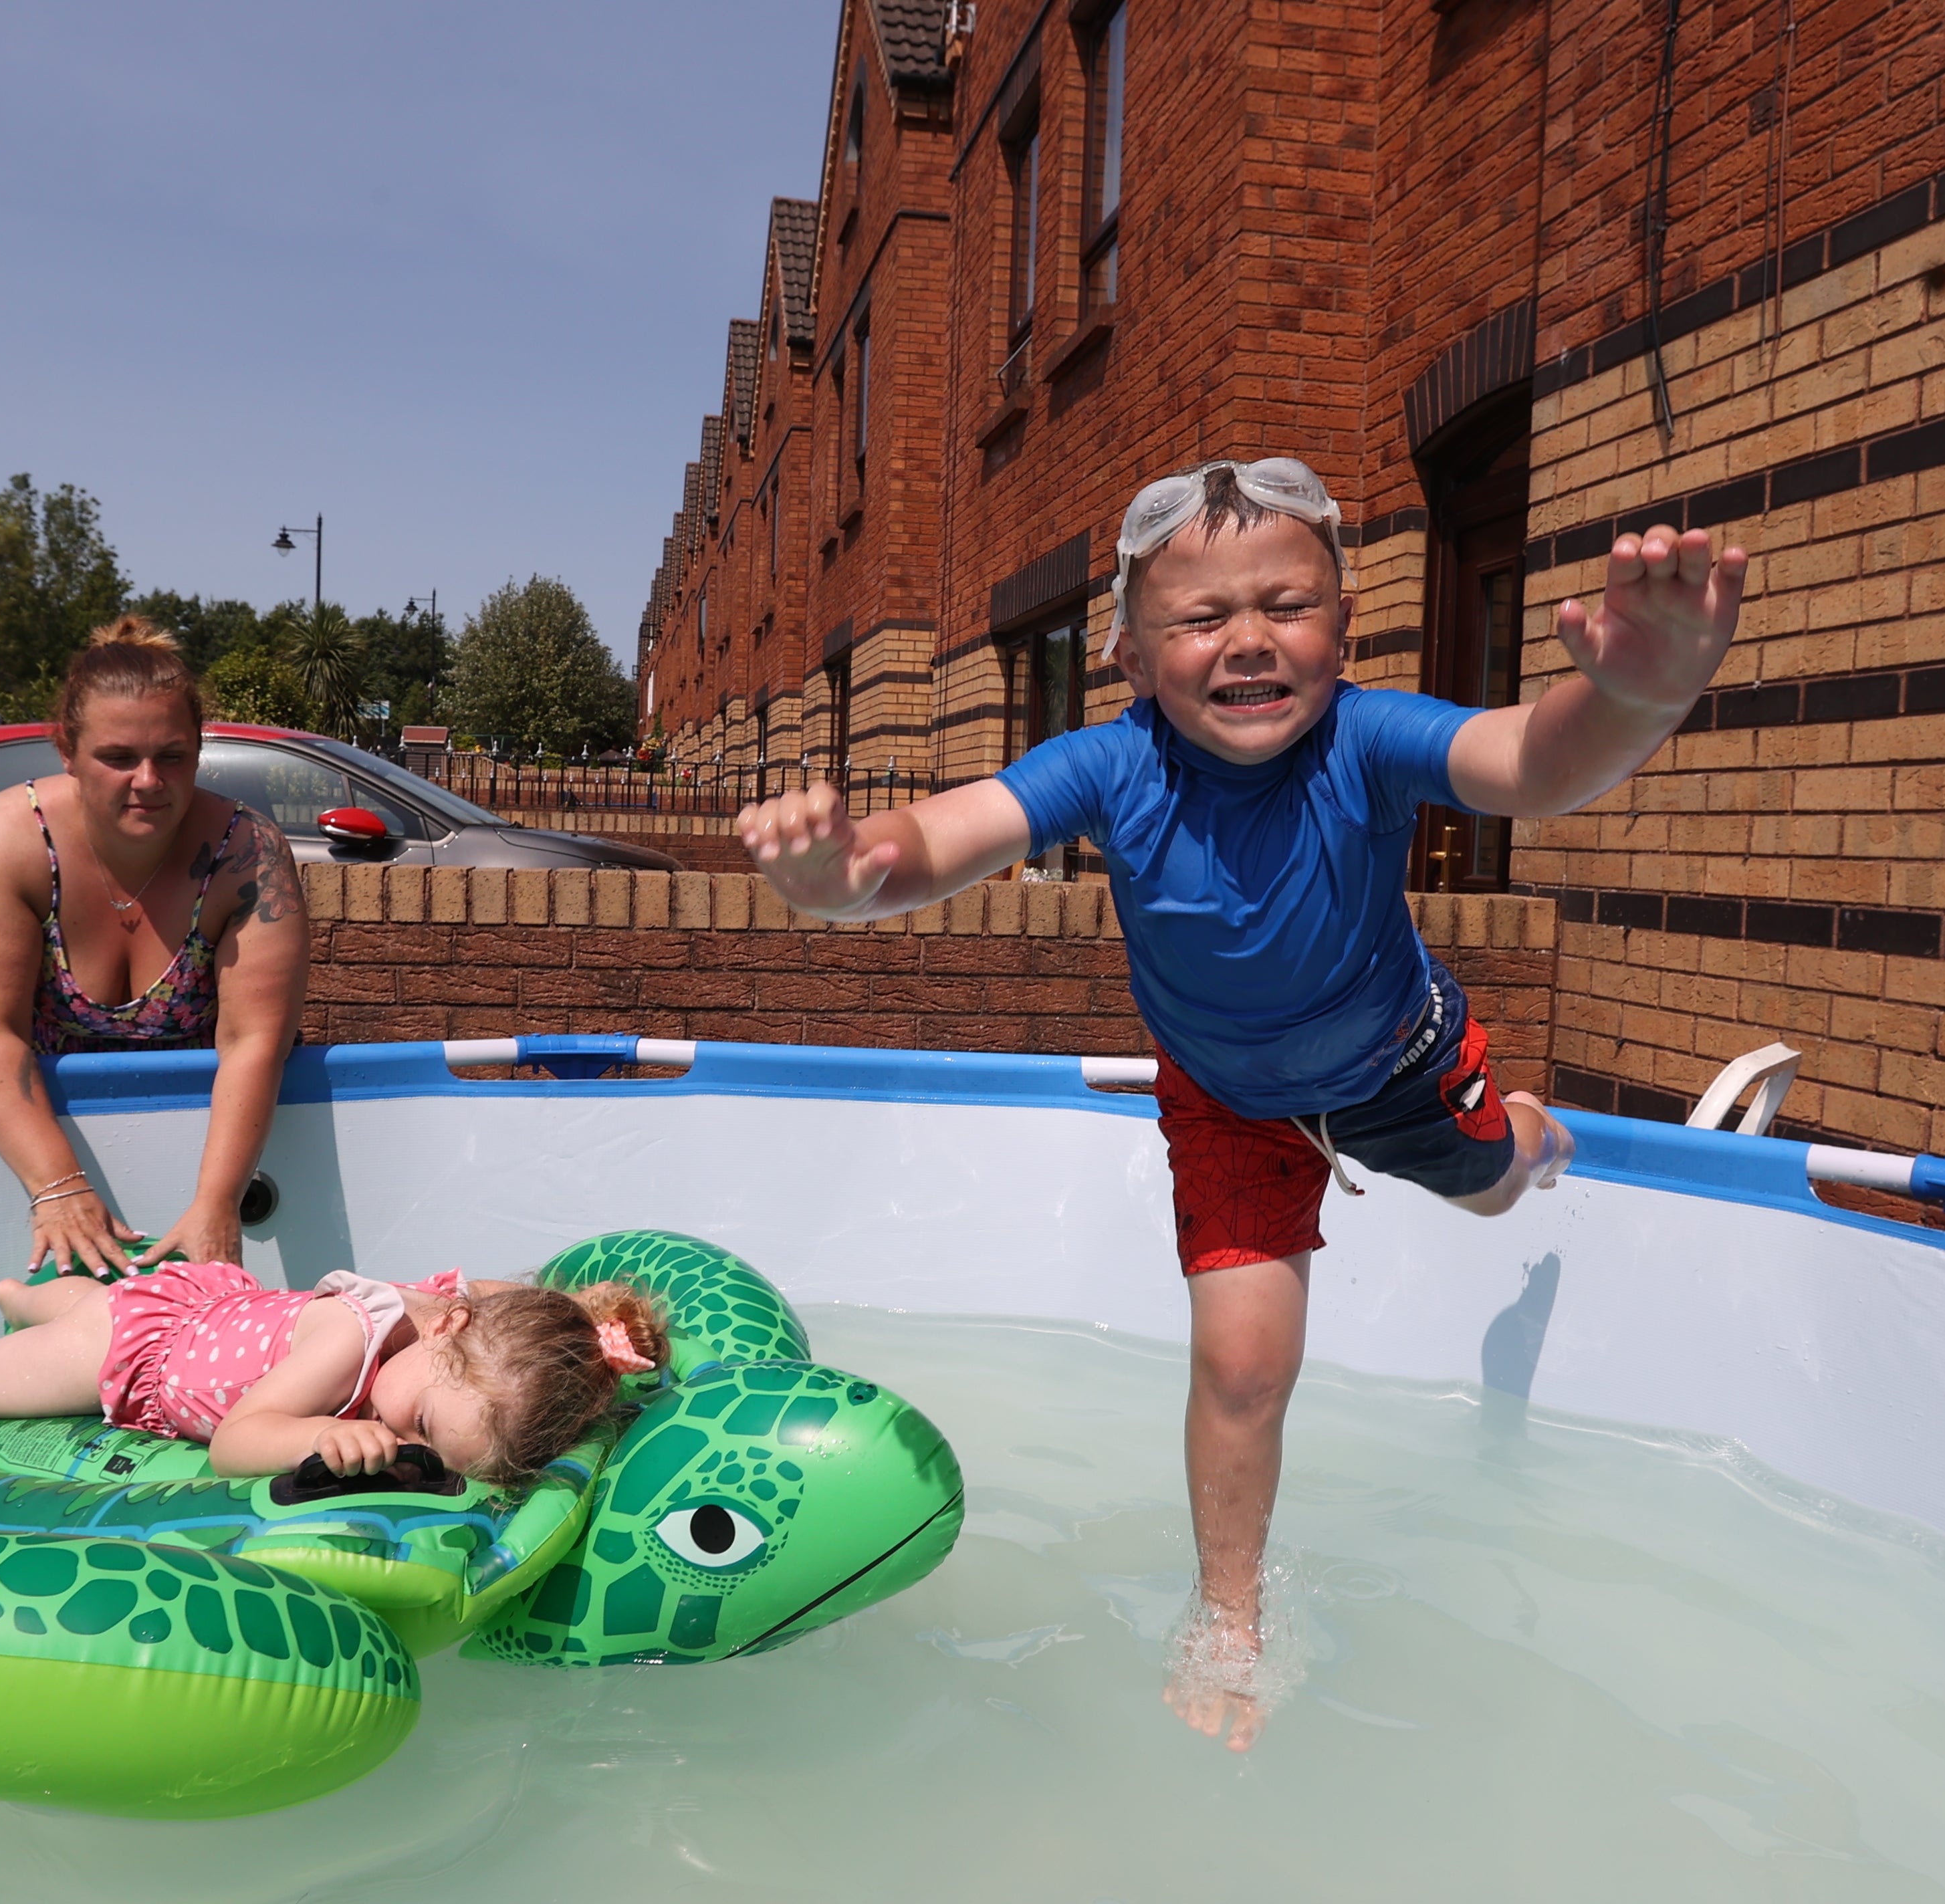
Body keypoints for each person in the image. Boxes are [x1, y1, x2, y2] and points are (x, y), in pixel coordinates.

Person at [735, 455, 1747, 1751]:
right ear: (1130, 647)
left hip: (1403, 1066)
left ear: (1345, 617)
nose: (1250, 641)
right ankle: (1230, 1617)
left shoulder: (1367, 741)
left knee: (1500, 1183)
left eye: (1288, 603)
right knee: (1244, 1362)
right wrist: (843, 878)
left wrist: (1636, 691)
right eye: (1204, 618)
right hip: (1229, 1106)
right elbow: (933, 843)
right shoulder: (1106, 767)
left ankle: (1535, 1127)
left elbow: (1529, 761)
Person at [0, 617, 308, 1274]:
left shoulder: (247, 854)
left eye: (172, 755)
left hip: (211, 1153)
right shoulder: (9, 842)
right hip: (48, 1152)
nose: (148, 780)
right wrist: (59, 1186)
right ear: (66, 749)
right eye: (117, 757)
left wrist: (217, 1201)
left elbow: (255, 1040)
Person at [0, 1264, 667, 1485]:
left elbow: (513, 1305)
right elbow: (236, 1443)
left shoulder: (464, 1333)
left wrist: (596, 1362)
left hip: (203, 1308)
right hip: (146, 1355)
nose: (406, 1443)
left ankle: (23, 1293)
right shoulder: (354, 1343)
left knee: (74, 1308)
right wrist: (321, 1434)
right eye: (421, 1419)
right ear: (448, 1331)